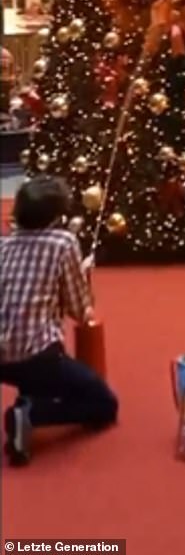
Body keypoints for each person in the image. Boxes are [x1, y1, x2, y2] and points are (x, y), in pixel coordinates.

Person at [0, 176, 118, 466]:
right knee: (104, 404)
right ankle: (31, 414)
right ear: (57, 215)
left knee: (38, 379)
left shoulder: (4, 245)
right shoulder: (63, 242)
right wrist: (84, 278)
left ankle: (31, 400)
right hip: (38, 356)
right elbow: (80, 310)